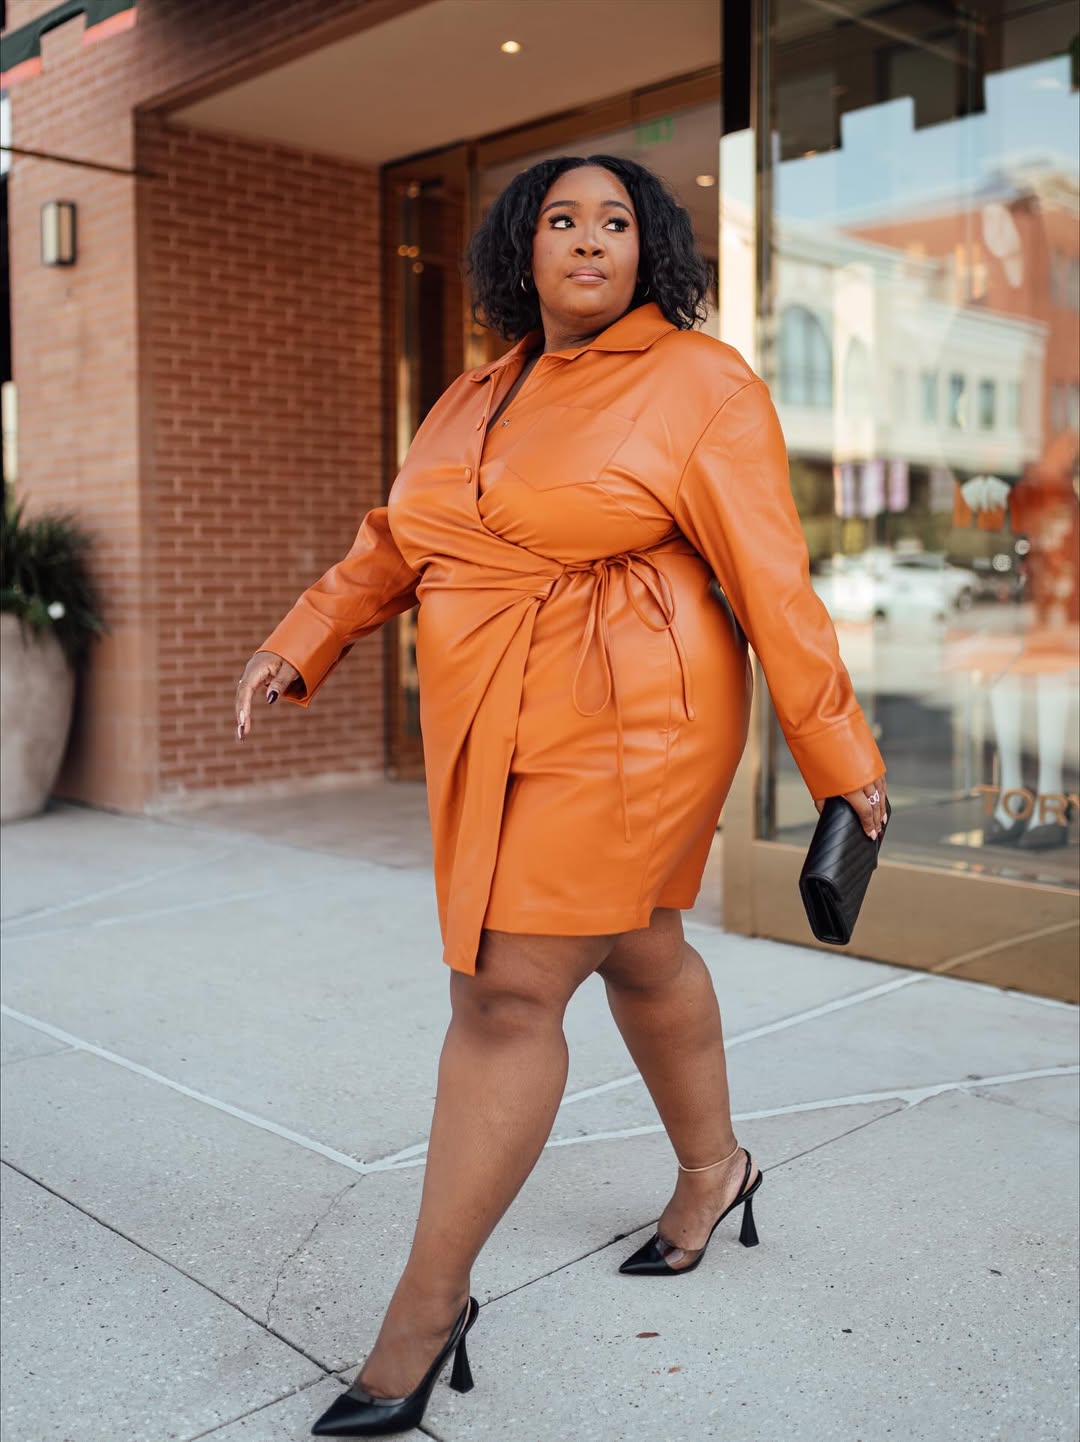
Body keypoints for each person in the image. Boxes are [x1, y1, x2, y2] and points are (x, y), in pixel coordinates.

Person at [233, 155, 887, 1438]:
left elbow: (774, 578)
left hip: (636, 713)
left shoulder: (701, 381)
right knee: (639, 946)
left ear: (653, 251)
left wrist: (841, 756)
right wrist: (304, 634)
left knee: (508, 986)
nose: (589, 240)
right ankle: (716, 1168)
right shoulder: (472, 393)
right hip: (497, 709)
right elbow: (397, 539)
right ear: (519, 253)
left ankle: (422, 1315)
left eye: (617, 221)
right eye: (560, 220)